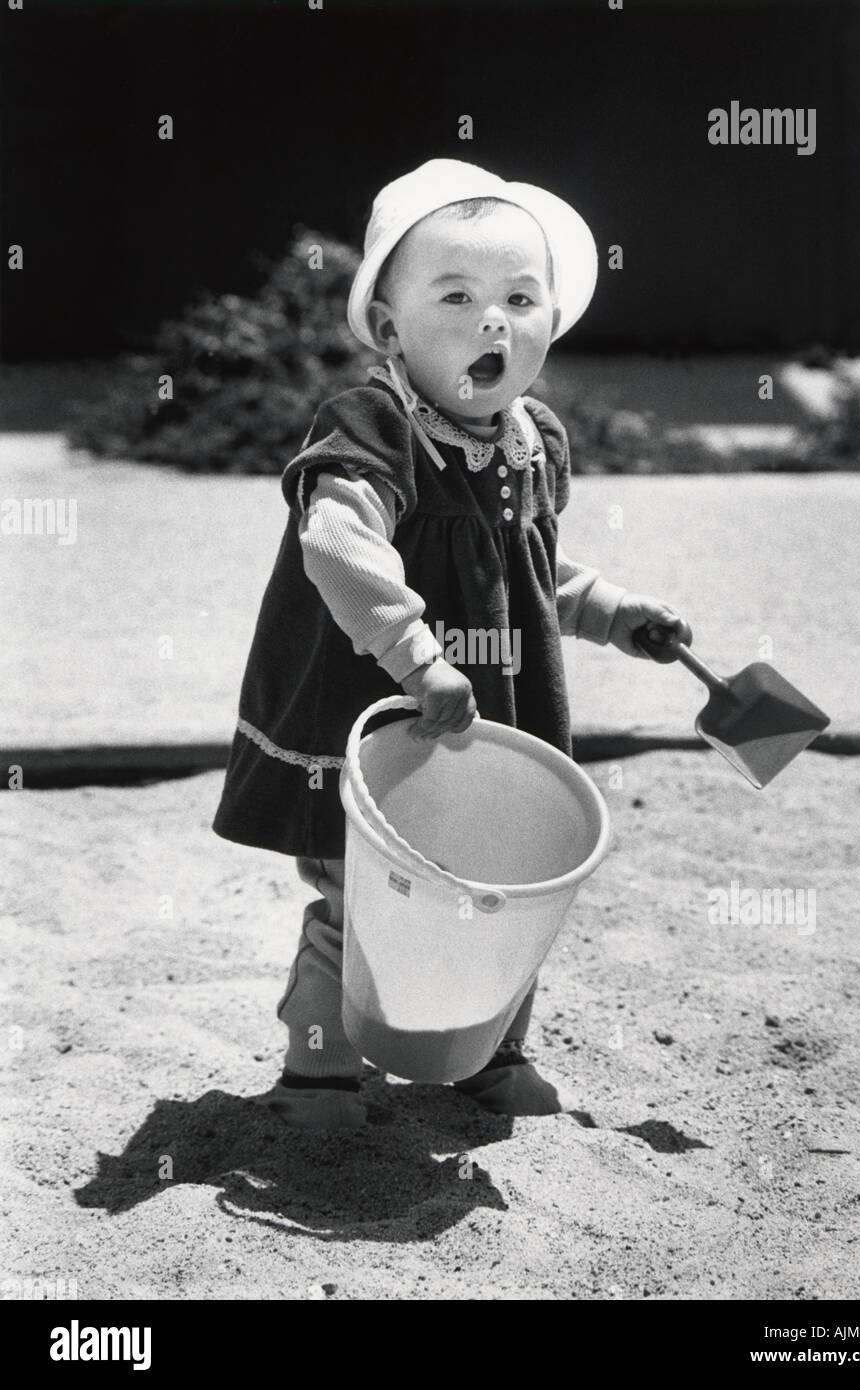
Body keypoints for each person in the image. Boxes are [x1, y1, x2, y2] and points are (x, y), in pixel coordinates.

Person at [213, 158, 691, 1130]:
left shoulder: (531, 442)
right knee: (362, 901)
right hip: (375, 712)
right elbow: (336, 545)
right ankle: (319, 1070)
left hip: (487, 727)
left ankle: (485, 1057)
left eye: (520, 298)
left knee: (498, 894)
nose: (493, 321)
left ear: (550, 322)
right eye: (457, 295)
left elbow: (528, 569)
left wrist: (614, 613)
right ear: (388, 328)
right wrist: (414, 655)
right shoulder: (375, 424)